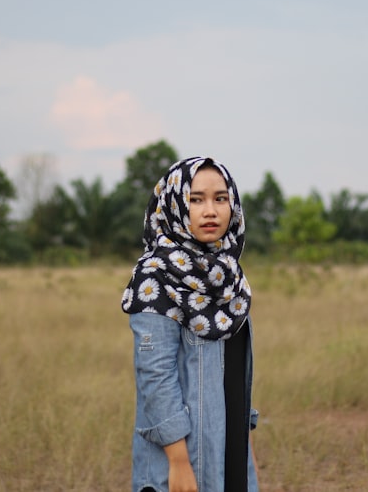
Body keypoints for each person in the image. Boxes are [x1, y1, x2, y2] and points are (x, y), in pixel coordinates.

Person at [122, 156, 259, 492]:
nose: (210, 211)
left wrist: (246, 456)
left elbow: (232, 379)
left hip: (229, 452)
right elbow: (155, 376)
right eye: (195, 199)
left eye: (220, 198)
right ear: (174, 204)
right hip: (187, 458)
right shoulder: (155, 277)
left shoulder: (228, 277)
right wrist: (178, 462)